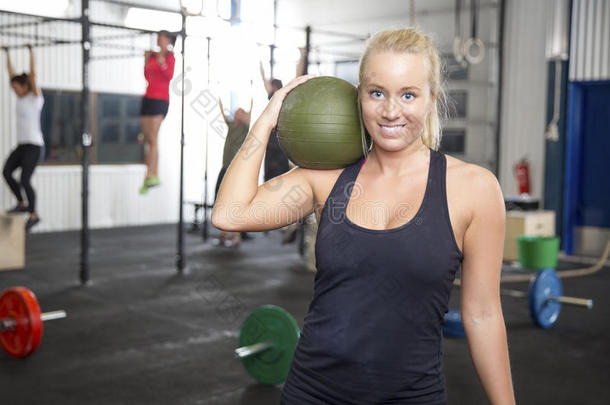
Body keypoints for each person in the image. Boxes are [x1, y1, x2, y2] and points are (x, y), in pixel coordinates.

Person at [213, 28, 514, 404]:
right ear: (359, 97)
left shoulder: (474, 189)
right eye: (377, 93)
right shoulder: (327, 178)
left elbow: (483, 315)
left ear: (431, 99)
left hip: (412, 396)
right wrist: (268, 118)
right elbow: (229, 214)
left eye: (408, 95)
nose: (391, 111)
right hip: (313, 392)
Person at [2, 45, 44, 231]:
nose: (15, 91)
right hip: (22, 145)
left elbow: (33, 75)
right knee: (7, 172)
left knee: (25, 179)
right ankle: (21, 203)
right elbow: (10, 72)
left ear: (26, 86)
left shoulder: (35, 98)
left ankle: (34, 215)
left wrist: (31, 52)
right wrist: (7, 54)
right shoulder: (20, 99)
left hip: (34, 145)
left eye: (17, 88)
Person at [139, 30, 177, 194]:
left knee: (154, 138)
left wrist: (161, 60)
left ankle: (151, 175)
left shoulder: (170, 57)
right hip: (148, 97)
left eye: (161, 37)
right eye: (158, 37)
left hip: (160, 100)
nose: (159, 39)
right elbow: (147, 76)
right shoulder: (152, 55)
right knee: (148, 139)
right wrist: (146, 60)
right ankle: (152, 174)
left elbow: (168, 75)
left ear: (167, 40)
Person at [212, 99, 252, 248]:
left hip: (234, 171)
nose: (235, 114)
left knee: (233, 201)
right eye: (235, 112)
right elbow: (223, 114)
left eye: (239, 112)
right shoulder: (231, 125)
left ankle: (235, 236)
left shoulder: (244, 127)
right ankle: (224, 235)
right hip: (225, 168)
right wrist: (220, 101)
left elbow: (250, 115)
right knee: (220, 200)